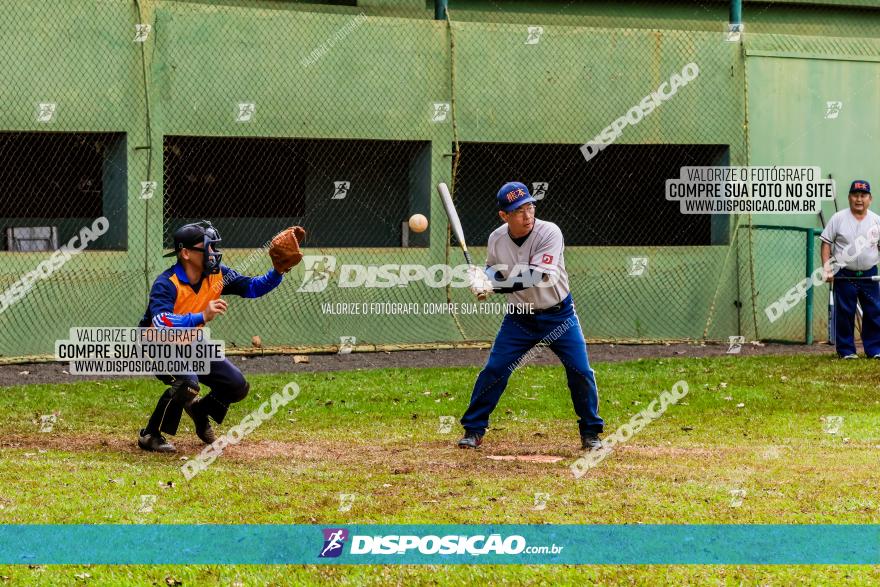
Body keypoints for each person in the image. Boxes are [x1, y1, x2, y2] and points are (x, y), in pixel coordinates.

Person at [459, 182, 604, 450]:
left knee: (580, 371)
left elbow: (537, 275)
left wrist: (494, 286)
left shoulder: (549, 232)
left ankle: (591, 433)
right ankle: (473, 429)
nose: (527, 216)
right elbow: (495, 270)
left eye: (530, 207)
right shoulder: (496, 238)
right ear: (504, 216)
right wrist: (483, 276)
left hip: (559, 316)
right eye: (518, 211)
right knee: (495, 370)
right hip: (519, 318)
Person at [137, 220, 300, 452]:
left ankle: (199, 410)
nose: (213, 252)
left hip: (190, 342)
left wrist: (278, 271)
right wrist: (200, 316)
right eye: (207, 247)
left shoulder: (217, 275)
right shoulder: (167, 283)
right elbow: (161, 322)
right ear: (185, 253)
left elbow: (253, 287)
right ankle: (150, 434)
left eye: (213, 247)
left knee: (236, 386)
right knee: (188, 383)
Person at [820, 180, 880, 359]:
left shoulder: (877, 220)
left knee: (874, 311)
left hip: (870, 274)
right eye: (855, 195)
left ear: (870, 199)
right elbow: (826, 244)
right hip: (844, 274)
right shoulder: (838, 218)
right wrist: (826, 269)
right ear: (849, 198)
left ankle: (875, 350)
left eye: (863, 196)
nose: (859, 199)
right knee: (845, 313)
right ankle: (846, 351)